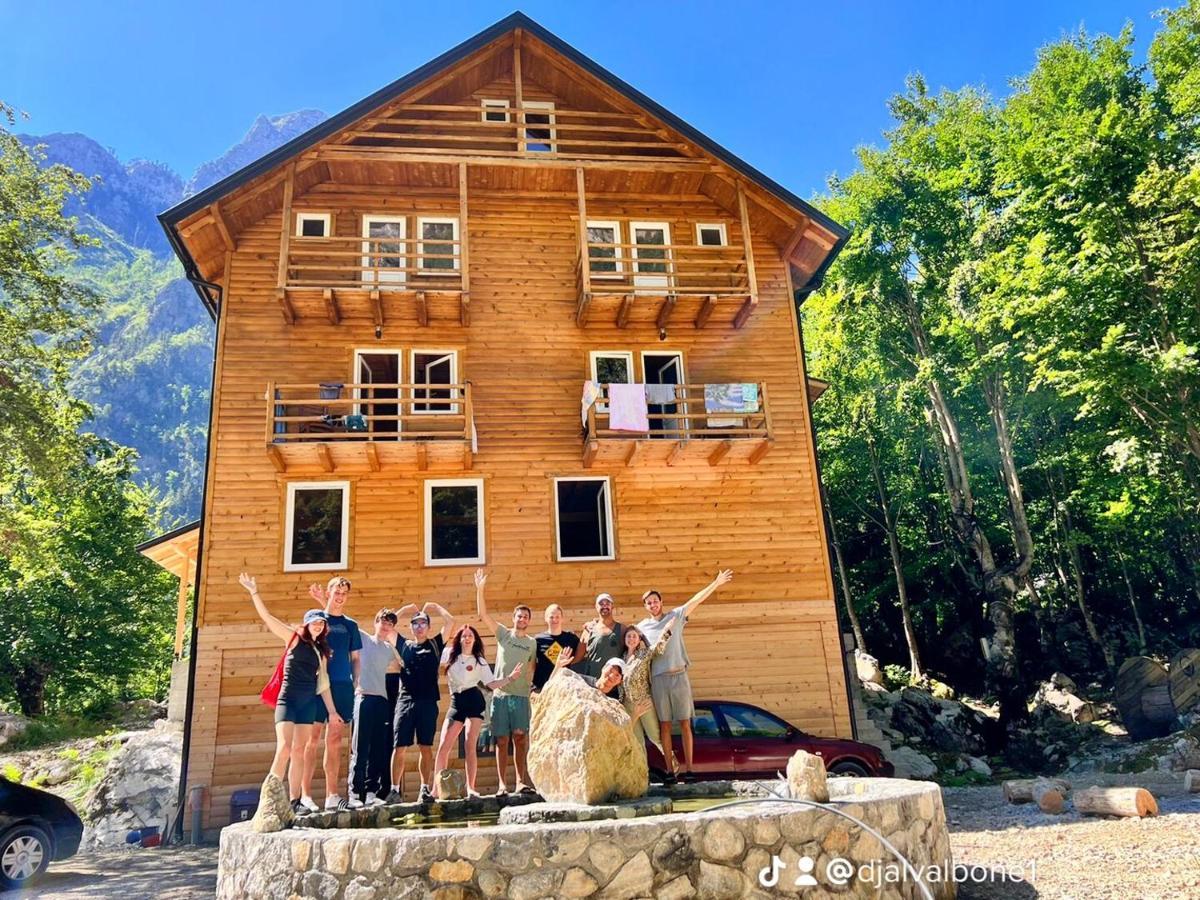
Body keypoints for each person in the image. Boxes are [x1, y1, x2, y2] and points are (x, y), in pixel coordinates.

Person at [239, 574, 344, 815]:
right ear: (306, 625)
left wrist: (332, 712)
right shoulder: (294, 639)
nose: (318, 626)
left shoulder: (321, 651)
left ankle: (295, 801)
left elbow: (324, 684)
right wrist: (254, 592)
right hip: (288, 700)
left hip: (308, 704)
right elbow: (268, 618)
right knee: (284, 747)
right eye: (314, 622)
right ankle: (271, 796)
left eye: (321, 623)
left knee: (299, 750)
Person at [637, 570, 734, 783]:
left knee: (685, 723)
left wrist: (715, 583)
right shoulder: (642, 627)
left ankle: (690, 770)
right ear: (645, 607)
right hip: (659, 680)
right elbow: (628, 639)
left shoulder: (676, 616)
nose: (653, 605)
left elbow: (696, 600)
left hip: (679, 675)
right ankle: (670, 772)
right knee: (664, 725)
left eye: (655, 601)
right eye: (648, 603)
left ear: (661, 602)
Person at [433, 626, 525, 798]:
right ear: (459, 639)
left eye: (471, 636)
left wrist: (510, 678)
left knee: (470, 744)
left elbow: (490, 684)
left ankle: (471, 788)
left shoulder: (479, 661)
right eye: (464, 636)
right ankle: (435, 789)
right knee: (444, 745)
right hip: (456, 701)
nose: (467, 638)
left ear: (475, 640)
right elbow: (431, 657)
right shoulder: (449, 654)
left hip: (474, 701)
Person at [474, 568, 537, 795]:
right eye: (519, 616)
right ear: (513, 619)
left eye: (526, 617)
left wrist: (530, 686)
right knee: (501, 740)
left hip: (520, 697)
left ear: (529, 621)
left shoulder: (531, 643)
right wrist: (480, 589)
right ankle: (502, 785)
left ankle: (521, 782)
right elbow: (483, 614)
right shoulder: (503, 634)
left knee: (520, 739)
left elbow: (532, 667)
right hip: (500, 696)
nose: (522, 619)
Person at [304, 577, 362, 809]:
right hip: (316, 685)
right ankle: (305, 796)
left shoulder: (350, 625)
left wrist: (356, 682)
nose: (340, 596)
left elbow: (356, 658)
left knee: (335, 740)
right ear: (328, 593)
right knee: (312, 738)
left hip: (342, 685)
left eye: (344, 593)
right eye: (336, 591)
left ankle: (332, 796)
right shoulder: (316, 619)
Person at [389, 601, 455, 804]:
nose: (419, 627)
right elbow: (389, 625)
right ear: (410, 627)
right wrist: (405, 609)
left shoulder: (435, 644)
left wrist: (436, 606)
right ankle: (394, 790)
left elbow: (450, 622)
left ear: (428, 627)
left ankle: (424, 789)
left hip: (427, 702)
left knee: (425, 747)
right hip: (405, 701)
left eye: (422, 623)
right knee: (399, 747)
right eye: (415, 623)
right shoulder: (404, 645)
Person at [347, 608, 403, 808]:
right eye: (383, 622)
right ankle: (355, 793)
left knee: (378, 749)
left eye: (390, 624)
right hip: (363, 697)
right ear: (376, 621)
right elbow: (346, 621)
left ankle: (371, 791)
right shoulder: (362, 638)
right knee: (360, 747)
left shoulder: (388, 649)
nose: (385, 626)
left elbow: (401, 663)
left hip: (382, 700)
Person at [618, 625, 672, 754]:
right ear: (625, 639)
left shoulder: (643, 654)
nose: (631, 639)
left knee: (655, 737)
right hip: (627, 705)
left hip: (644, 702)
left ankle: (673, 765)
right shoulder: (621, 659)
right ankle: (643, 773)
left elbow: (658, 648)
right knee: (637, 742)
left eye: (634, 636)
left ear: (639, 639)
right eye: (628, 636)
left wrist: (668, 630)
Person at [576, 592, 624, 696]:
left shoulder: (622, 629)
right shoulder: (589, 630)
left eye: (607, 603)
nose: (604, 606)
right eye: (601, 603)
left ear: (612, 606)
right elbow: (578, 657)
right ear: (596, 607)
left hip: (613, 686)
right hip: (593, 685)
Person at [531, 604, 581, 694]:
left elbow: (583, 649)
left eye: (557, 617)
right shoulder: (538, 639)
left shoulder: (571, 638)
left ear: (562, 618)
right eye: (551, 617)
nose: (555, 620)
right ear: (546, 619)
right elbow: (531, 664)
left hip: (563, 688)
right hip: (542, 687)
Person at [551, 647, 625, 696]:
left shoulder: (615, 702)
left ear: (620, 681)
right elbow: (551, 686)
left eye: (617, 675)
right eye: (611, 670)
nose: (611, 676)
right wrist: (558, 667)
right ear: (603, 668)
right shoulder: (579, 680)